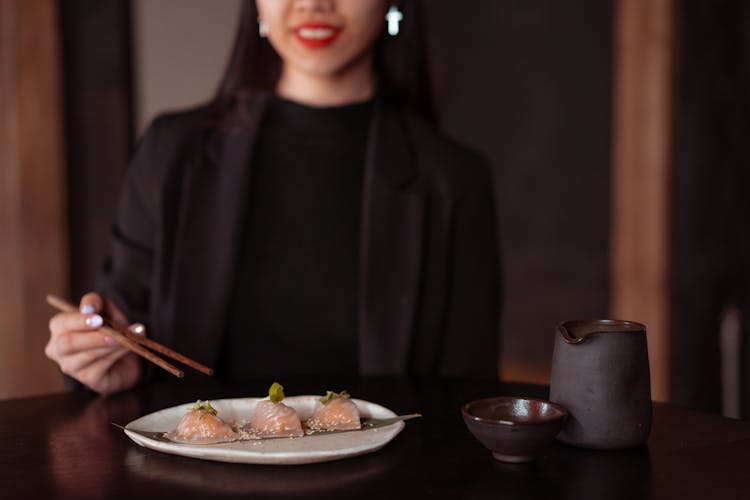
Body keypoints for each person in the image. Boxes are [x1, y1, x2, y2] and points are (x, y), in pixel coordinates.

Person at [45, 0, 499, 395]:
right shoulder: (172, 153)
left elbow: (465, 401)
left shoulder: (452, 180)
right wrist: (107, 360)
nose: (313, 3)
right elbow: (125, 329)